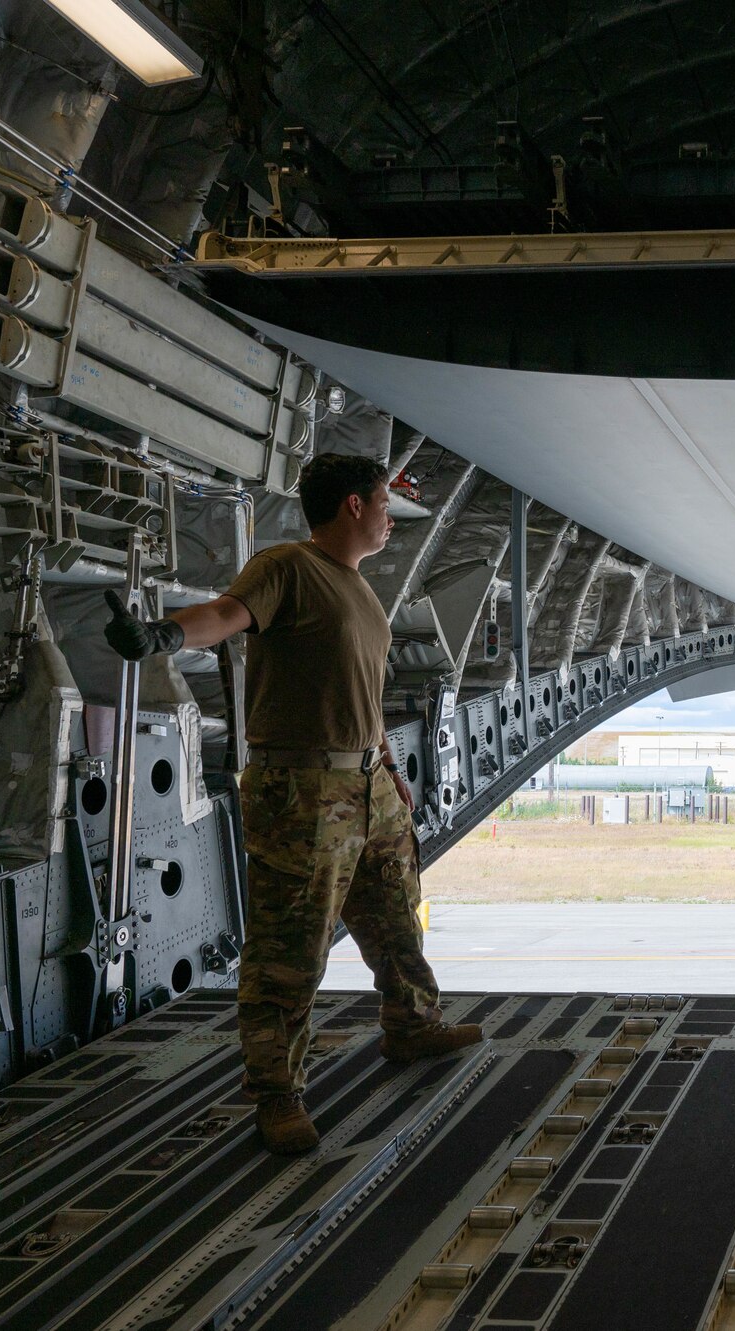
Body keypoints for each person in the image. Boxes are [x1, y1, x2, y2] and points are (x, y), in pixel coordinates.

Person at [103, 453, 479, 1154]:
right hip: (303, 792)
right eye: (383, 504)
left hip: (369, 784)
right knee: (290, 948)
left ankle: (412, 1024)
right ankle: (277, 1092)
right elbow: (227, 613)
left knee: (396, 917)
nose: (392, 518)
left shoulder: (360, 589)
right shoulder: (288, 569)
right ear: (352, 508)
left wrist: (391, 769)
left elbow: (358, 693)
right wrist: (165, 635)